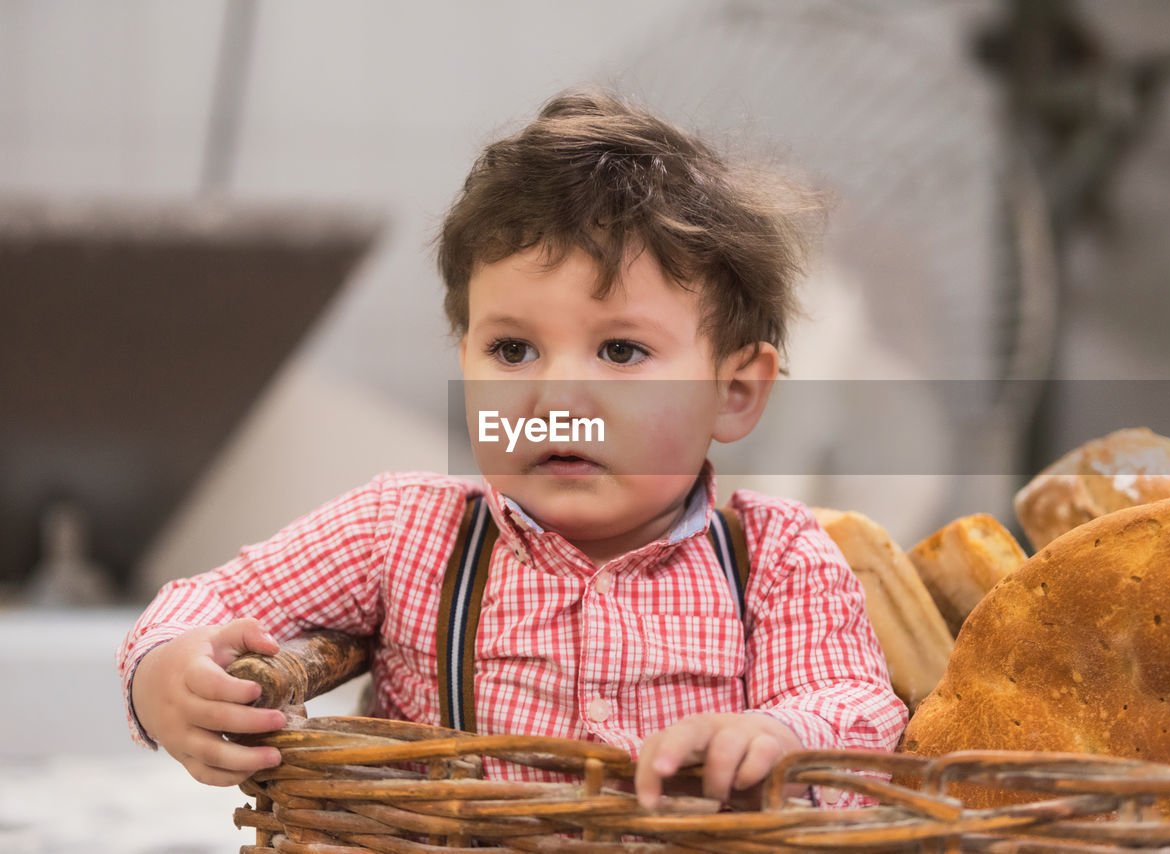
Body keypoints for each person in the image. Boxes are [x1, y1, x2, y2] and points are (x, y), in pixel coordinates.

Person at [117, 89, 907, 811]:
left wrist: (780, 736)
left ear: (735, 393)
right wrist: (167, 677)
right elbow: (203, 603)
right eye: (513, 351)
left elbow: (855, 706)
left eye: (623, 352)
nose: (557, 399)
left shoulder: (774, 555)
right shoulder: (403, 532)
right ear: (464, 360)